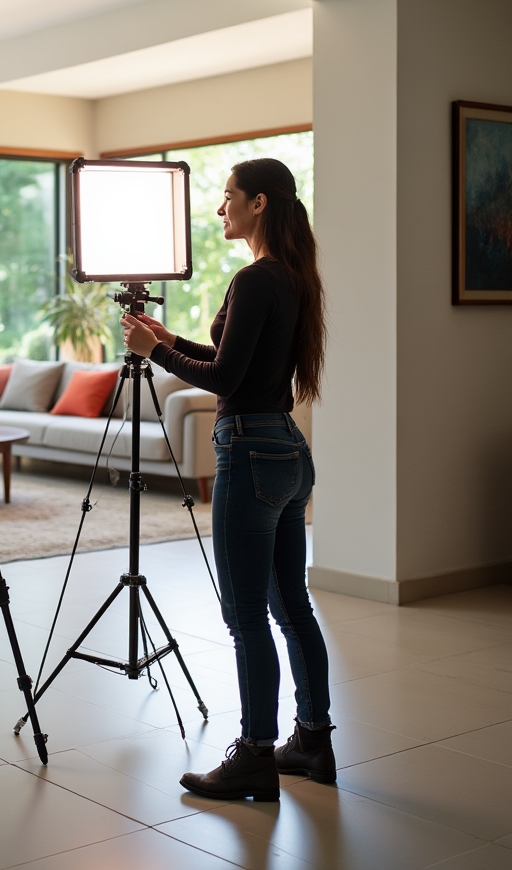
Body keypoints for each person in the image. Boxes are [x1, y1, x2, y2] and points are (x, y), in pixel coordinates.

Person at [121, 157, 333, 803]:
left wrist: (153, 352)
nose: (220, 209)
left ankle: (255, 756)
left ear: (259, 203)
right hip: (286, 452)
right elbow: (235, 359)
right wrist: (170, 336)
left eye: (227, 196)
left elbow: (225, 382)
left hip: (248, 451)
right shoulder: (291, 277)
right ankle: (312, 740)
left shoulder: (255, 277)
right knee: (291, 606)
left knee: (247, 615)